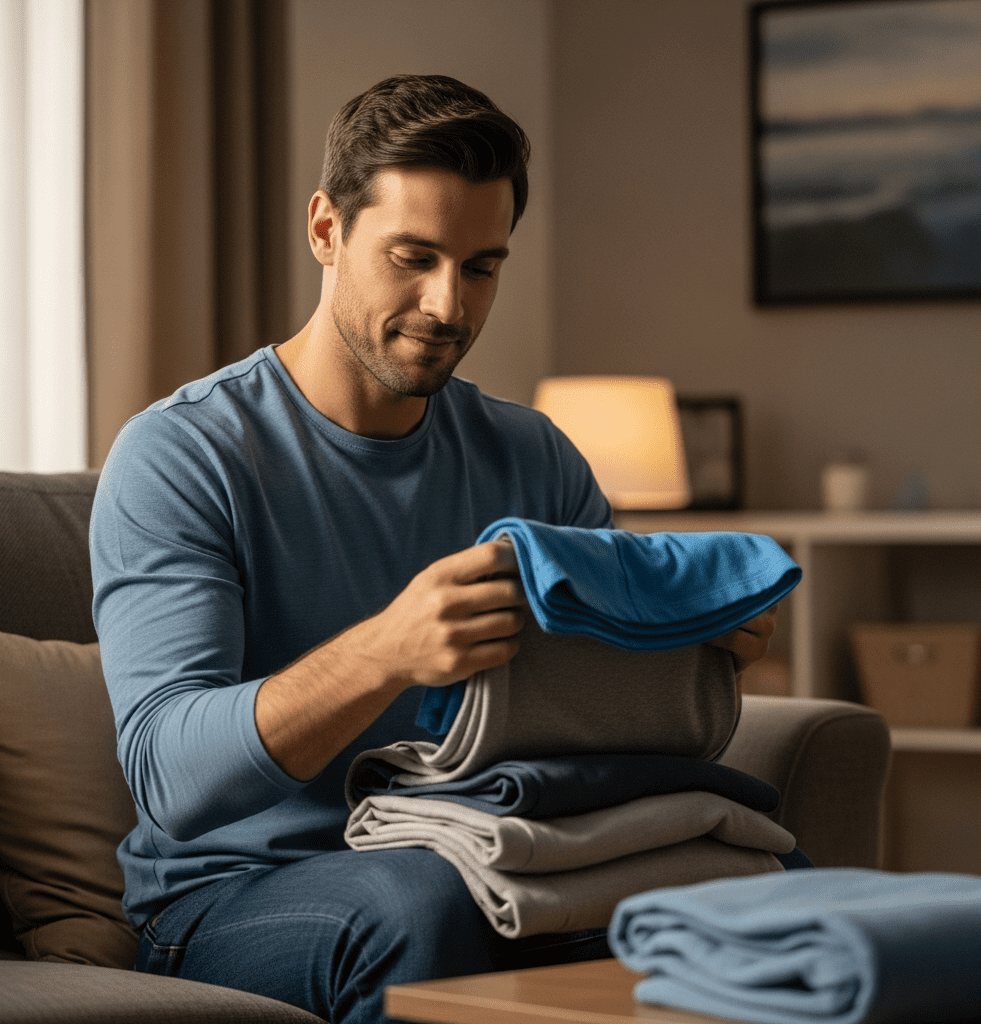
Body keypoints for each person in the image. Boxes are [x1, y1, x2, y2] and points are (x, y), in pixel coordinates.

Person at [90, 74, 775, 1023]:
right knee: (425, 906)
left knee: (764, 897)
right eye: (412, 257)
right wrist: (387, 651)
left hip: (495, 858)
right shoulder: (183, 454)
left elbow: (602, 717)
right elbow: (170, 776)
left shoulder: (534, 456)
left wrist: (700, 644)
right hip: (230, 893)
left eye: (481, 266)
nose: (449, 305)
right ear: (326, 230)